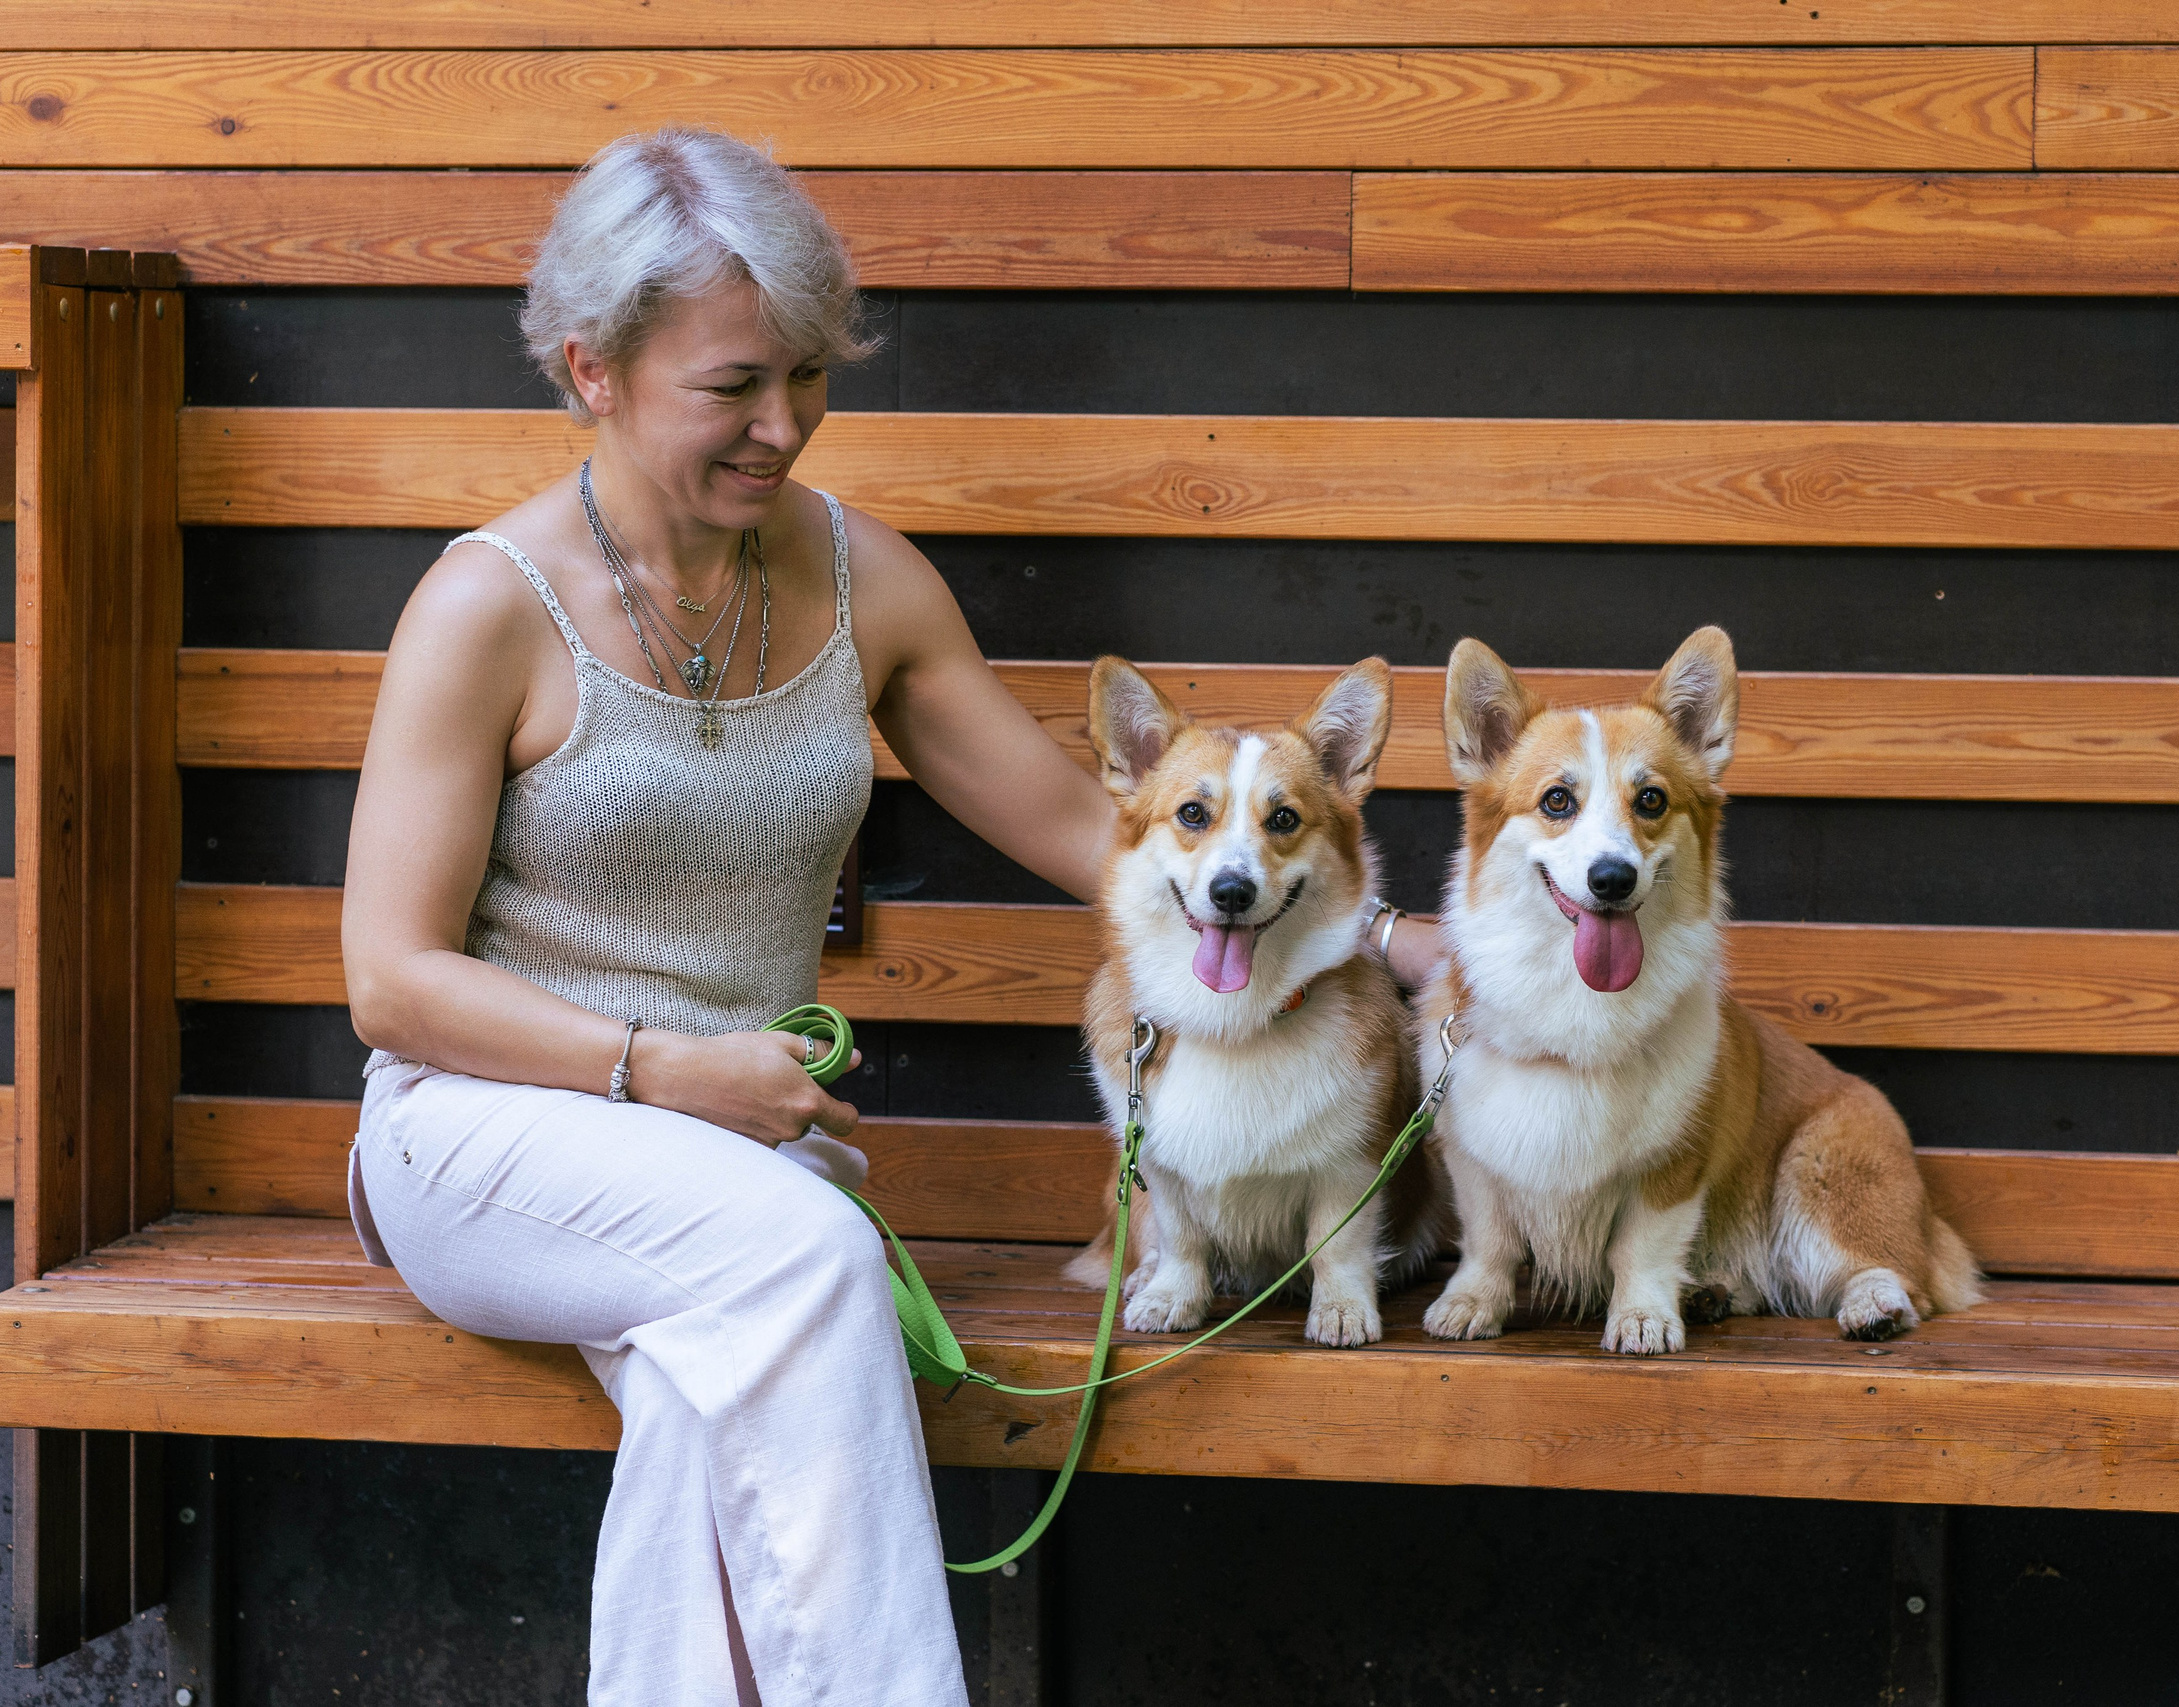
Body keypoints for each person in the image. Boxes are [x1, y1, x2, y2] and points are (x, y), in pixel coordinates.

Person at [340, 126, 1442, 1706]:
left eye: (808, 375)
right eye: (734, 385)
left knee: (710, 1393)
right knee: (812, 1264)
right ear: (592, 370)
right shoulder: (482, 611)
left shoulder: (865, 581)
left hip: (734, 1158)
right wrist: (668, 1069)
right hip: (479, 1137)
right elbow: (390, 982)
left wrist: (1393, 944)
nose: (783, 425)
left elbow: (1104, 832)